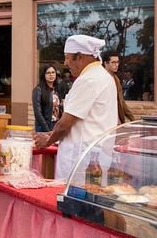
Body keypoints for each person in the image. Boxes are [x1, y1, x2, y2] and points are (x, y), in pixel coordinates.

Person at [34, 35, 117, 180]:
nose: (65, 63)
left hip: (81, 160)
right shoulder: (103, 76)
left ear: (79, 56)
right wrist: (50, 133)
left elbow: (65, 124)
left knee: (72, 199)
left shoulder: (88, 79)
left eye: (67, 57)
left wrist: (47, 141)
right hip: (94, 156)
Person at [101, 50, 135, 124]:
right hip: (102, 120)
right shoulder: (99, 78)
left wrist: (132, 118)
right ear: (105, 63)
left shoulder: (116, 79)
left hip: (115, 120)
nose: (116, 65)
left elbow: (121, 101)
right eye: (113, 62)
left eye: (117, 62)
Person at [32, 64, 62, 132]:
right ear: (44, 75)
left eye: (53, 72)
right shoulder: (38, 90)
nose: (51, 75)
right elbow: (38, 113)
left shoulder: (56, 89)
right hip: (44, 126)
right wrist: (47, 130)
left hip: (56, 124)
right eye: (48, 73)